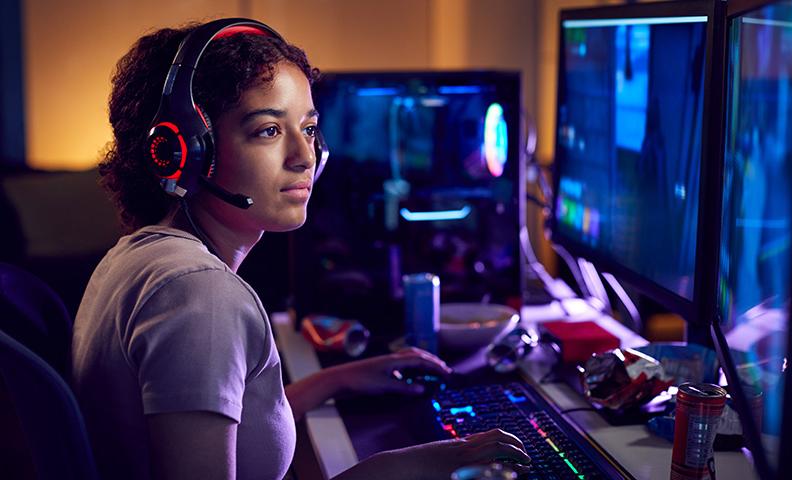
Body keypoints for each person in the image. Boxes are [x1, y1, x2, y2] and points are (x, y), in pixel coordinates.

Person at [71, 19, 530, 480]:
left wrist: (339, 380)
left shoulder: (138, 258)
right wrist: (393, 471)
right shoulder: (201, 296)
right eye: (268, 130)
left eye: (308, 129)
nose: (305, 156)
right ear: (183, 152)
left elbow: (222, 419)